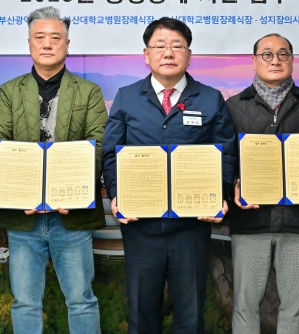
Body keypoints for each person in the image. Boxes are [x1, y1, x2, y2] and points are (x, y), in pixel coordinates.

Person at [101, 17, 237, 334]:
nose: (168, 52)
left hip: (191, 227)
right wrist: (117, 194)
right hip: (141, 225)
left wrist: (220, 195)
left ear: (188, 54)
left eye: (177, 46)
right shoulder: (127, 97)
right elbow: (111, 152)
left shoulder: (210, 98)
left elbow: (226, 152)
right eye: (160, 45)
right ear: (146, 54)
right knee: (142, 316)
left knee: (190, 317)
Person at [0, 6, 107, 334]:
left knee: (81, 300)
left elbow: (98, 145)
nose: (47, 43)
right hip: (23, 216)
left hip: (72, 215)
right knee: (25, 302)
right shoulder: (10, 91)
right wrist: (22, 189)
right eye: (40, 37)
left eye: (56, 37)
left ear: (67, 45)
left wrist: (71, 189)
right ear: (29, 43)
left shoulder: (89, 92)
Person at [226, 33, 299, 334]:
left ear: (292, 60)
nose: (275, 60)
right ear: (254, 61)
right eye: (267, 54)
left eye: (283, 54)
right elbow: (224, 159)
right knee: (244, 306)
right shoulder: (234, 106)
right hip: (250, 221)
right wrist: (234, 184)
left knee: (294, 308)